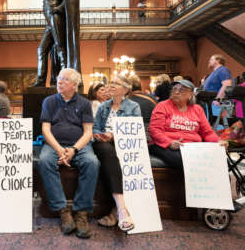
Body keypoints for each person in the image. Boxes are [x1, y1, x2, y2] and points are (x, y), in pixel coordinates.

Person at [39, 68, 99, 239]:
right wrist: (59, 149)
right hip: (53, 144)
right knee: (44, 161)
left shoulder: (84, 103)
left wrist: (74, 150)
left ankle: (81, 213)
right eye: (59, 78)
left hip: (78, 145)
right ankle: (62, 211)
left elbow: (88, 132)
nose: (59, 81)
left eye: (64, 79)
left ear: (74, 84)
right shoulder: (49, 101)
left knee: (92, 163)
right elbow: (45, 129)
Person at [92, 75, 140, 232]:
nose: (111, 86)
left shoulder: (133, 107)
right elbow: (95, 128)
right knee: (107, 151)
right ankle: (121, 209)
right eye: (110, 83)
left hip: (124, 145)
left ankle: (116, 210)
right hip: (103, 145)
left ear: (126, 89)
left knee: (113, 158)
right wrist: (100, 135)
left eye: (116, 84)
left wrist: (115, 135)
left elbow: (135, 131)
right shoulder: (103, 106)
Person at [148, 79, 220, 169]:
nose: (177, 92)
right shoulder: (162, 106)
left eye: (182, 90)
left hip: (191, 147)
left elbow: (207, 132)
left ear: (190, 95)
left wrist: (218, 143)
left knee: (219, 160)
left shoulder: (197, 109)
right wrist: (169, 143)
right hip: (164, 145)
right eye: (174, 89)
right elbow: (154, 130)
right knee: (184, 160)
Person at [33, 0, 81, 86]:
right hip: (49, 20)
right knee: (41, 49)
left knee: (60, 48)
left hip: (55, 16)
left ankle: (67, 78)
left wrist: (58, 8)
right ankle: (40, 80)